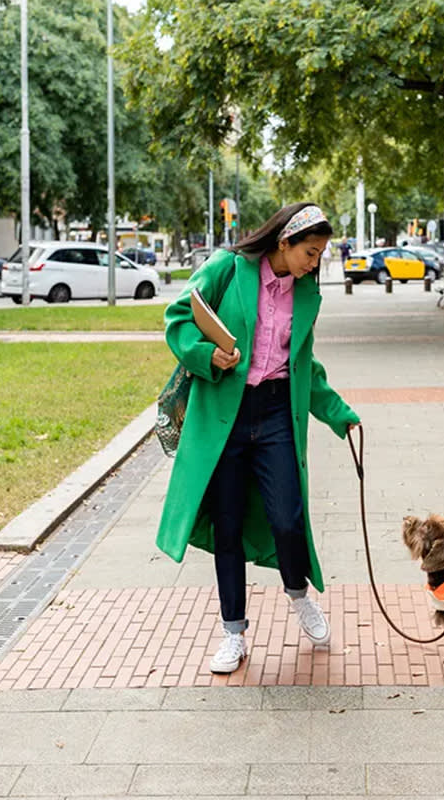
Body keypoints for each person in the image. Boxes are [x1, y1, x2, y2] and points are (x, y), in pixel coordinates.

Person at [157, 202, 360, 674]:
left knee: (288, 517)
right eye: (311, 253)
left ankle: (298, 593)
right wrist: (207, 354)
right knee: (227, 525)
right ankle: (233, 633)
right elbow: (178, 316)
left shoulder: (306, 294)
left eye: (320, 255)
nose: (315, 264)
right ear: (283, 242)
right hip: (225, 413)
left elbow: (306, 366)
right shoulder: (228, 267)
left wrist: (340, 414)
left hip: (275, 415)